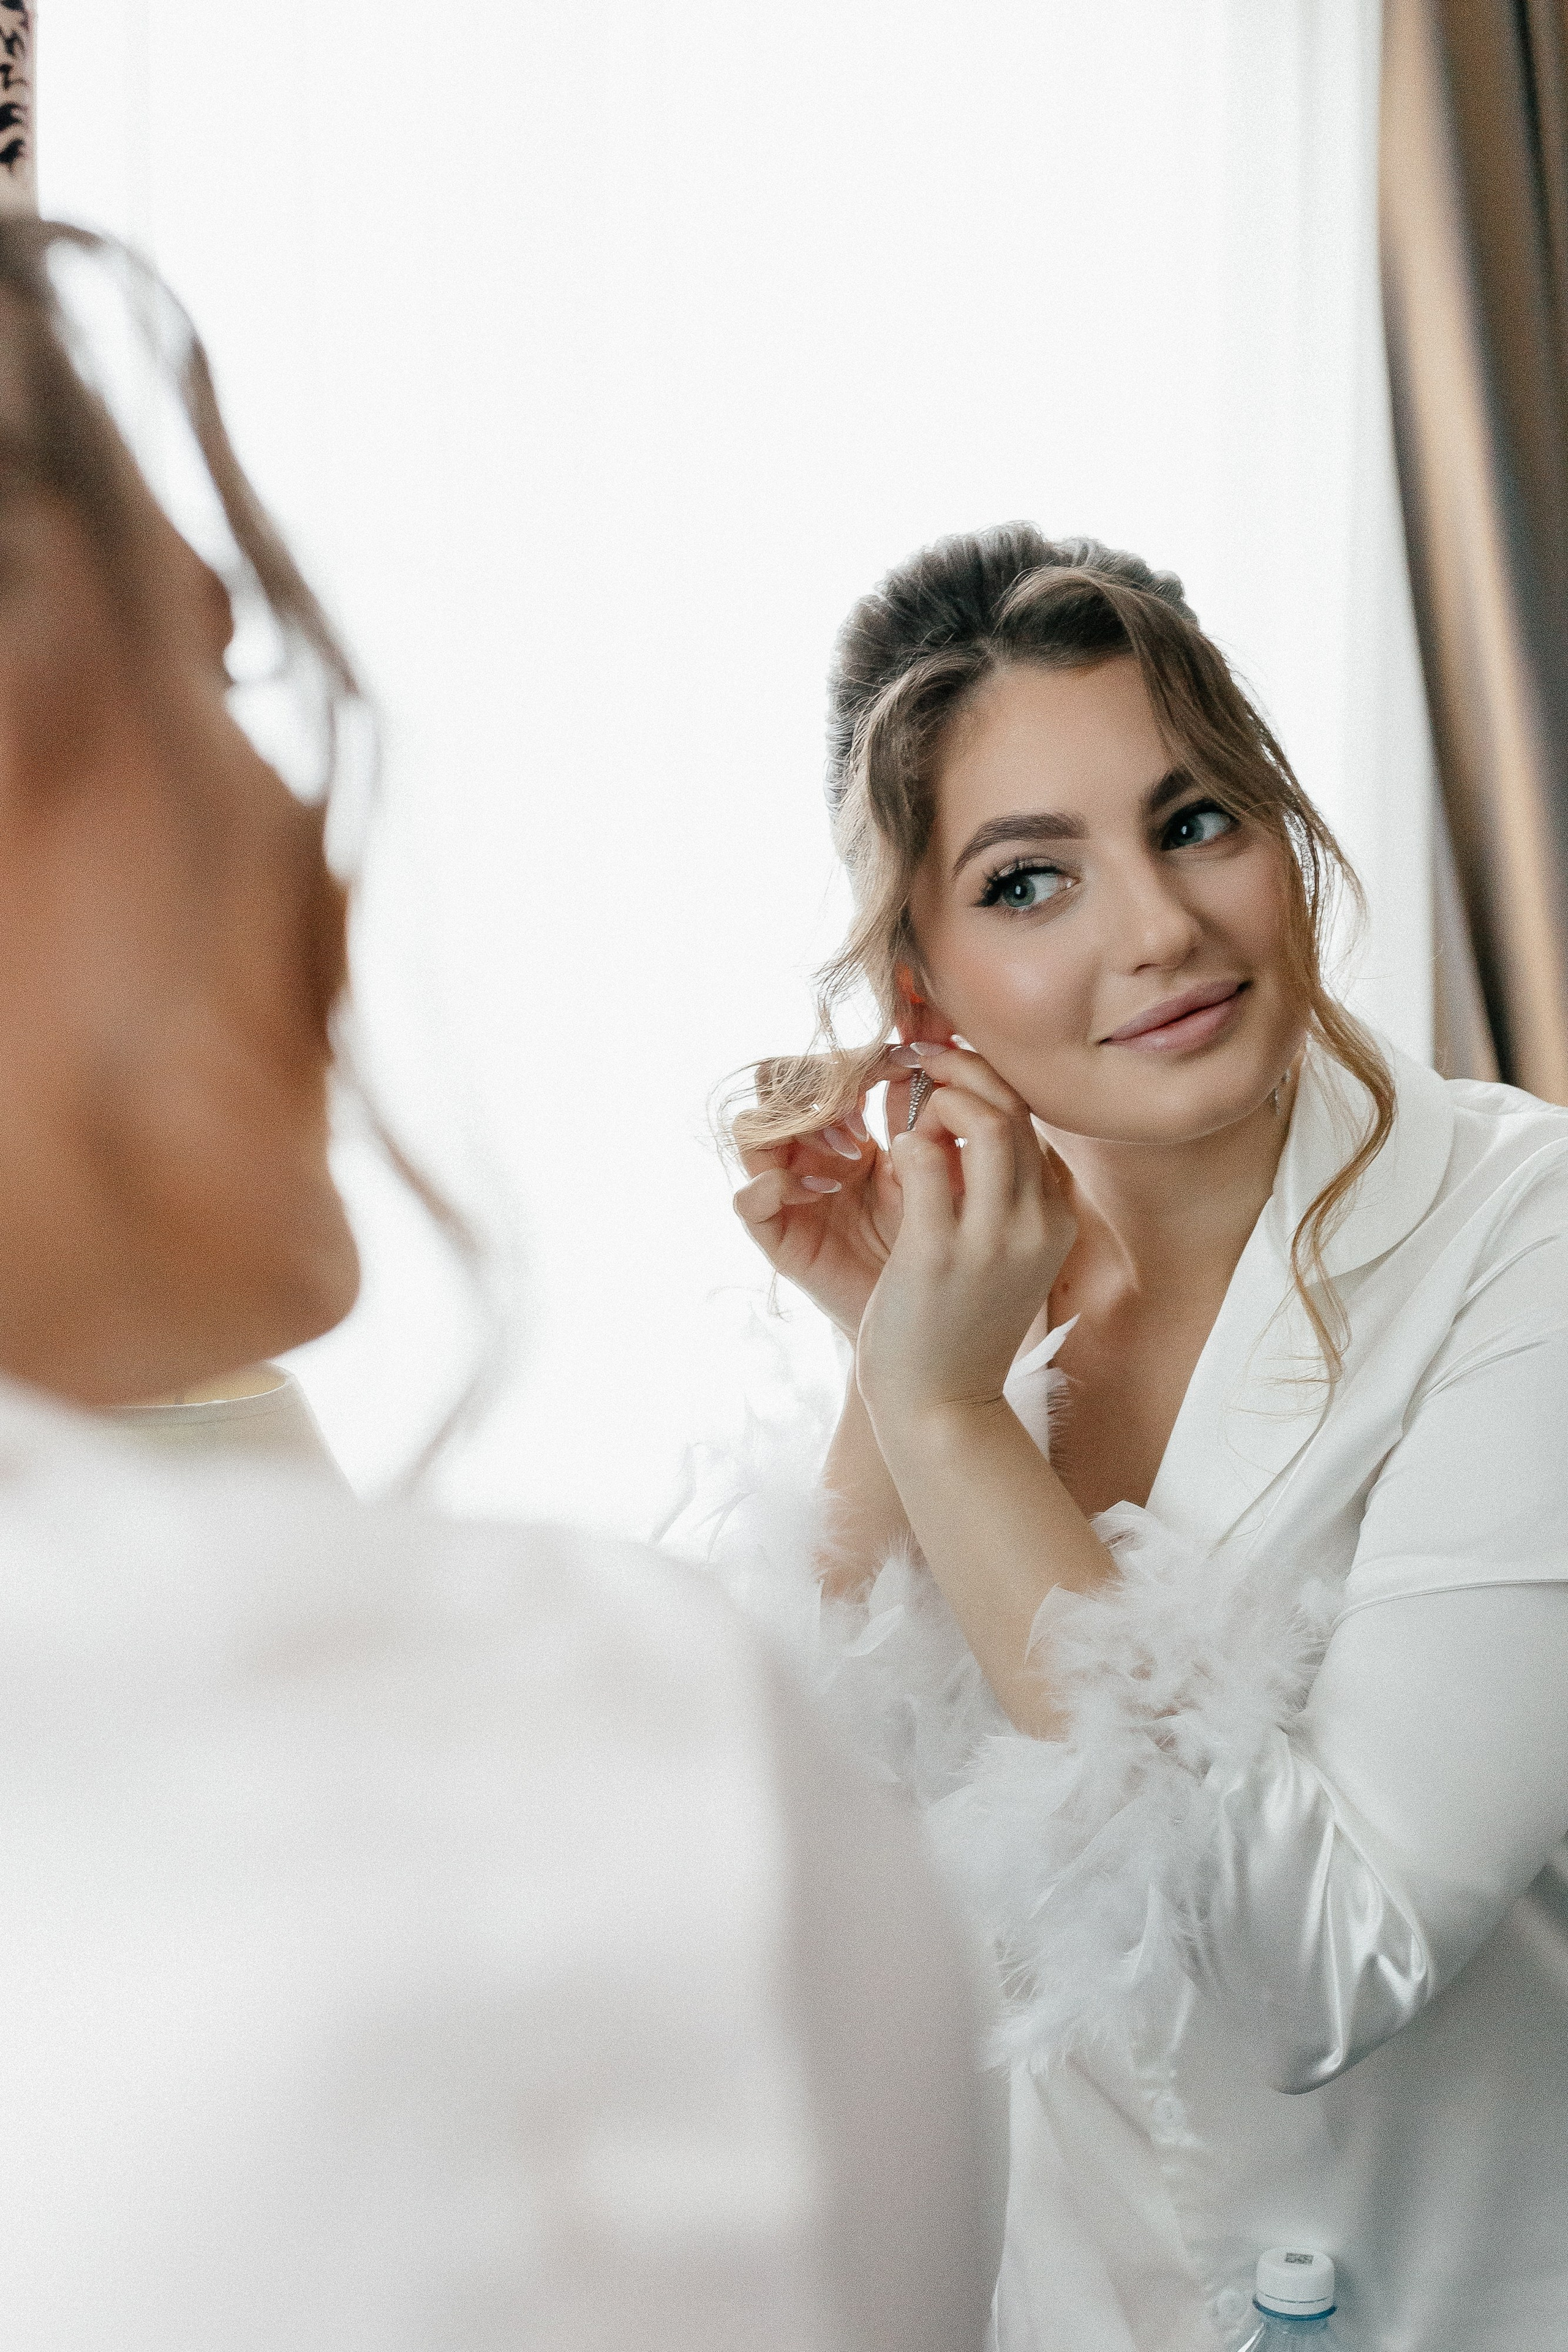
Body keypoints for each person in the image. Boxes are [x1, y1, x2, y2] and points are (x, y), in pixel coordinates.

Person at [0, 217, 994, 2352]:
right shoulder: (554, 1782)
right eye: (213, 676)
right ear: (906, 972)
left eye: (1199, 825)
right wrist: (926, 1401)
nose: (307, 825)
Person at [726, 524, 1568, 2352]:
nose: (1160, 929)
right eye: (1031, 882)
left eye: (1195, 824)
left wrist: (948, 1421)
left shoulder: (1529, 1239)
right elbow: (793, 1894)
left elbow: (1325, 1962)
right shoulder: (973, 1307)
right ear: (923, 996)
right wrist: (898, 1371)